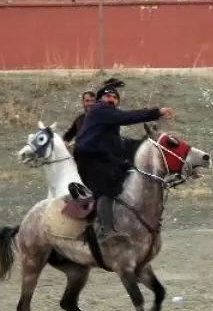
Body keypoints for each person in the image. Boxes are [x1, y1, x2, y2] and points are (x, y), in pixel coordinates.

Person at [73, 78, 175, 241]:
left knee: (128, 171)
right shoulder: (100, 110)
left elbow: (118, 144)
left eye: (115, 98)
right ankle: (105, 231)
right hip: (90, 159)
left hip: (101, 157)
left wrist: (143, 143)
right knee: (108, 188)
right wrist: (157, 112)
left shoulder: (106, 122)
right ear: (100, 99)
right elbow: (129, 117)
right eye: (108, 96)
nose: (111, 99)